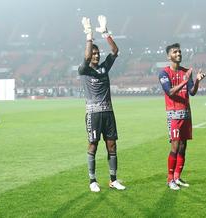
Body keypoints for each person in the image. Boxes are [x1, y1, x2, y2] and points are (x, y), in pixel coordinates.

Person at [78, 16, 125, 192]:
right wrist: (89, 35)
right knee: (93, 145)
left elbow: (115, 51)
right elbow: (87, 54)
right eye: (94, 54)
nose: (96, 56)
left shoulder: (105, 67)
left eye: (98, 54)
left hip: (108, 113)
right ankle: (92, 181)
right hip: (93, 113)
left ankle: (113, 180)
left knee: (112, 144)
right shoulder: (84, 70)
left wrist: (105, 33)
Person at [159, 43, 206, 190]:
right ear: (169, 56)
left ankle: (177, 177)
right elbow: (170, 92)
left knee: (183, 146)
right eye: (175, 52)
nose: (178, 54)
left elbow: (192, 92)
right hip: (174, 114)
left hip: (186, 113)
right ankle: (169, 180)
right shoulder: (164, 73)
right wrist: (184, 81)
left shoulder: (187, 72)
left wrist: (197, 80)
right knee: (175, 146)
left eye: (179, 51)